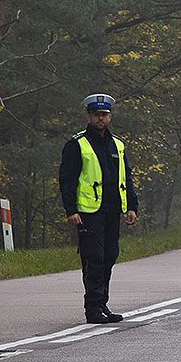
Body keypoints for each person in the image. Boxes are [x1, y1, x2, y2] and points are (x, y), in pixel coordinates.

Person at [59, 94, 138, 324]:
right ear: (89, 116)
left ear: (110, 116)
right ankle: (93, 307)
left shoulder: (118, 145)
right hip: (88, 211)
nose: (100, 119)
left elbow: (127, 177)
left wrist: (132, 206)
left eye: (104, 115)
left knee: (109, 256)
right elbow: (67, 179)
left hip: (113, 209)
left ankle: (102, 304)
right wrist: (71, 209)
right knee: (94, 257)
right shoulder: (77, 144)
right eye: (96, 115)